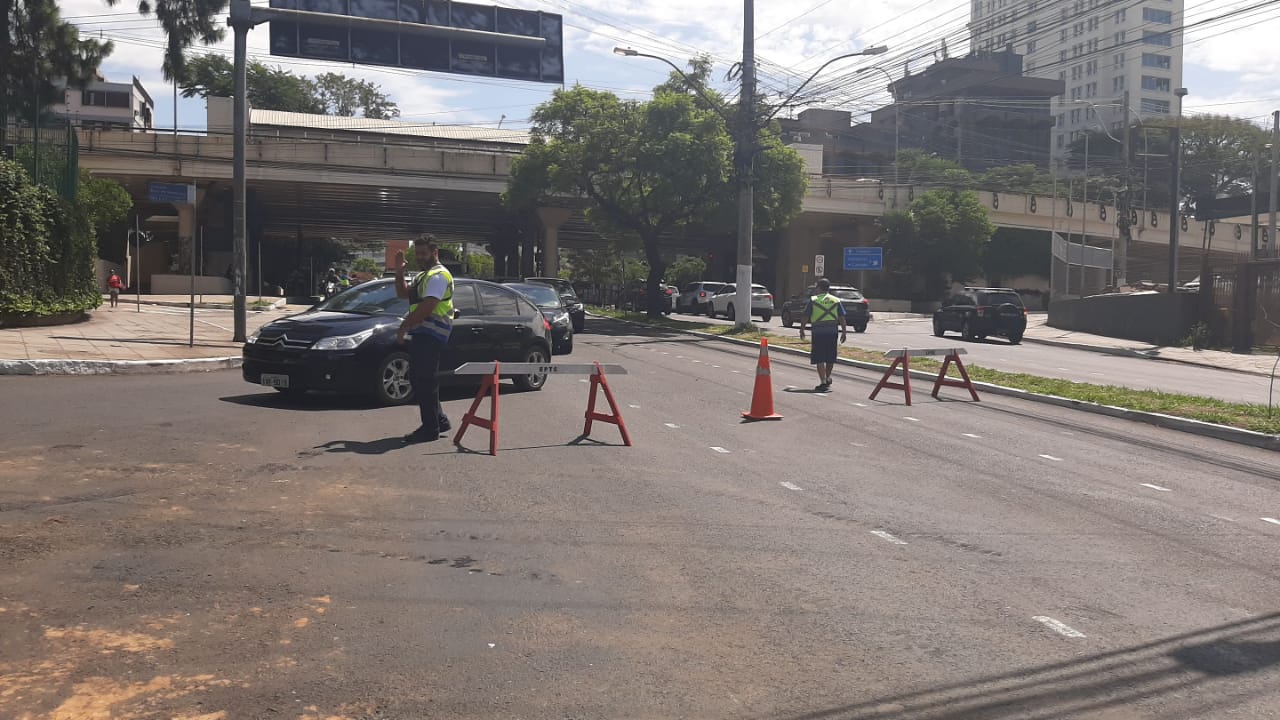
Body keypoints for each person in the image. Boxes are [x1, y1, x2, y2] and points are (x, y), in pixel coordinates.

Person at [395, 236, 454, 442]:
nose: (420, 257)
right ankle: (439, 420)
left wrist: (404, 326)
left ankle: (430, 429)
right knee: (419, 378)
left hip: (432, 331)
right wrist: (399, 271)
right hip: (422, 331)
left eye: (424, 253)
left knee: (425, 380)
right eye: (417, 253)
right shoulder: (424, 275)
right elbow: (404, 294)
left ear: (434, 252)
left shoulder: (438, 276)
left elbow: (429, 305)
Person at [797, 278, 847, 392]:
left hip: (818, 332)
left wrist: (802, 329)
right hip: (832, 332)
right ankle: (828, 377)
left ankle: (823, 381)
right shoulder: (836, 300)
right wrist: (844, 332)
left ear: (819, 288)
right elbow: (842, 318)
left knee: (819, 357)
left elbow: (805, 316)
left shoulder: (813, 300)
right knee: (830, 357)